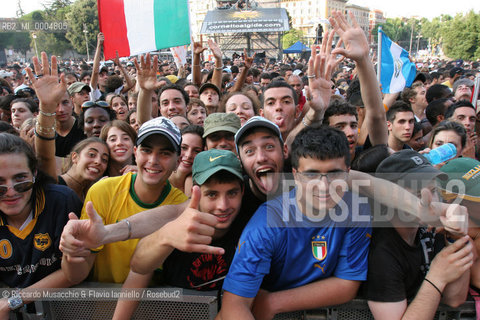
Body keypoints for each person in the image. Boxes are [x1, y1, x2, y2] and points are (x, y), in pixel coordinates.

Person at [218, 125, 372, 319]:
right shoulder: (267, 222)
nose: (324, 186)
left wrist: (275, 302)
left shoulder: (356, 210)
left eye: (334, 174)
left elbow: (347, 283)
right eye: (311, 174)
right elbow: (235, 305)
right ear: (296, 175)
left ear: (348, 173)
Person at [114, 149, 244, 319]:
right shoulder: (178, 223)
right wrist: (165, 237)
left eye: (232, 193)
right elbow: (139, 268)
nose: (223, 205)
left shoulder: (250, 221)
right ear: (194, 193)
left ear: (242, 191)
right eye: (212, 194)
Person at [61, 116, 188, 285]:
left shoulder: (181, 204)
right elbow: (76, 276)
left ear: (177, 162)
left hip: (158, 308)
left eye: (165, 153)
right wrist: (71, 253)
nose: (153, 160)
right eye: (147, 150)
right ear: (135, 152)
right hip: (102, 307)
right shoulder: (103, 191)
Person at [366, 150, 473, 319]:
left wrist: (456, 238)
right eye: (417, 195)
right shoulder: (381, 251)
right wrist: (437, 276)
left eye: (433, 190)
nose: (431, 201)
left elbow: (454, 298)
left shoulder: (432, 229)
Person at [0, 133, 82, 319]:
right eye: (0, 184)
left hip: (68, 310)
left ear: (34, 173)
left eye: (21, 179)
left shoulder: (61, 201)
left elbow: (74, 271)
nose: (11, 191)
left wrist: (16, 300)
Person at [168, 125, 204, 196]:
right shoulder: (160, 176)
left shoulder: (201, 184)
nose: (189, 155)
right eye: (184, 148)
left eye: (196, 151)